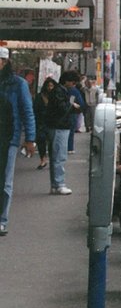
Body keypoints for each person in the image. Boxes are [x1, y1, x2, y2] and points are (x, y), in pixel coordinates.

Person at [0, 46, 37, 234]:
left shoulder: (17, 84)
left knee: (5, 179)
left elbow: (27, 111)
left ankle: (2, 219)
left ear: (4, 61)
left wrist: (30, 139)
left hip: (9, 138)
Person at [46, 72, 75, 195]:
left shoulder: (57, 91)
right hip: (60, 127)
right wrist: (72, 104)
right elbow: (62, 108)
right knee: (59, 156)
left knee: (55, 156)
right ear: (66, 81)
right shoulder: (59, 92)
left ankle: (55, 184)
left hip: (55, 126)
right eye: (73, 82)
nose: (74, 85)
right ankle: (59, 184)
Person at [33, 77, 57, 170]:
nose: (50, 88)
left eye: (52, 86)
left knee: (52, 142)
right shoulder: (40, 97)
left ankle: (51, 160)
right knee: (41, 141)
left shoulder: (55, 96)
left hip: (51, 123)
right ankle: (43, 159)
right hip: (41, 123)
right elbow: (35, 109)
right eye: (48, 86)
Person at [63, 71, 85, 154]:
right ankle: (70, 148)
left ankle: (69, 147)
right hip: (76, 112)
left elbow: (71, 102)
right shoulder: (75, 90)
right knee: (71, 130)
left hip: (72, 112)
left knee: (70, 131)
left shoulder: (72, 91)